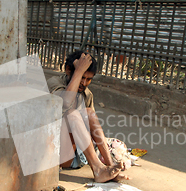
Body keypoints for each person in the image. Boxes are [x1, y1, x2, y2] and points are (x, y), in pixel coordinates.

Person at [47, 50, 129, 182]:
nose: (84, 83)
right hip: (58, 155)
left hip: (79, 155)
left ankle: (109, 167)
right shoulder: (54, 83)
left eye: (88, 79)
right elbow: (66, 101)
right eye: (81, 77)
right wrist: (78, 70)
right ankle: (98, 170)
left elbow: (90, 128)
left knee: (89, 112)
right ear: (68, 70)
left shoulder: (87, 94)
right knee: (72, 114)